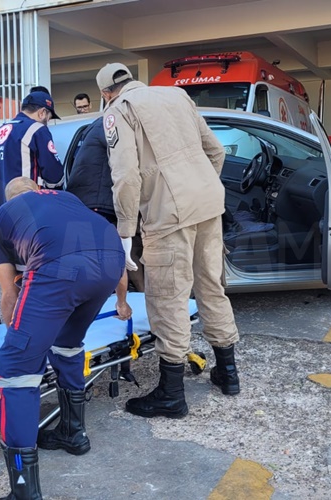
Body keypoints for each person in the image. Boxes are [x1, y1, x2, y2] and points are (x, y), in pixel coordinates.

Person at [97, 62, 241, 420]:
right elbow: (217, 152)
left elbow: (127, 176)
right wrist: (200, 190)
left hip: (168, 214)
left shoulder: (119, 111)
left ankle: (172, 394)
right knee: (211, 285)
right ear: (133, 79)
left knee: (168, 297)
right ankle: (228, 373)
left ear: (105, 93)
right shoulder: (177, 95)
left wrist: (126, 231)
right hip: (209, 204)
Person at [0, 177, 131, 500]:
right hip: (110, 259)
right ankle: (73, 432)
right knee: (66, 340)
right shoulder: (68, 201)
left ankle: (23, 491)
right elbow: (113, 256)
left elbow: (9, 297)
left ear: (7, 201)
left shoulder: (1, 217)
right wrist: (121, 301)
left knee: (15, 365)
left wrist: (22, 338)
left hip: (59, 264)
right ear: (38, 189)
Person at [65, 117, 145, 291]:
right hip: (99, 200)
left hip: (93, 199)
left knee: (124, 251)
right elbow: (129, 160)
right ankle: (127, 298)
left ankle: (137, 295)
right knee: (115, 255)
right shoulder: (114, 122)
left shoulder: (99, 125)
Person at [0, 91, 65, 211]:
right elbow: (53, 174)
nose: (48, 122)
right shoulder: (37, 130)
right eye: (49, 117)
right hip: (26, 207)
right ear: (42, 112)